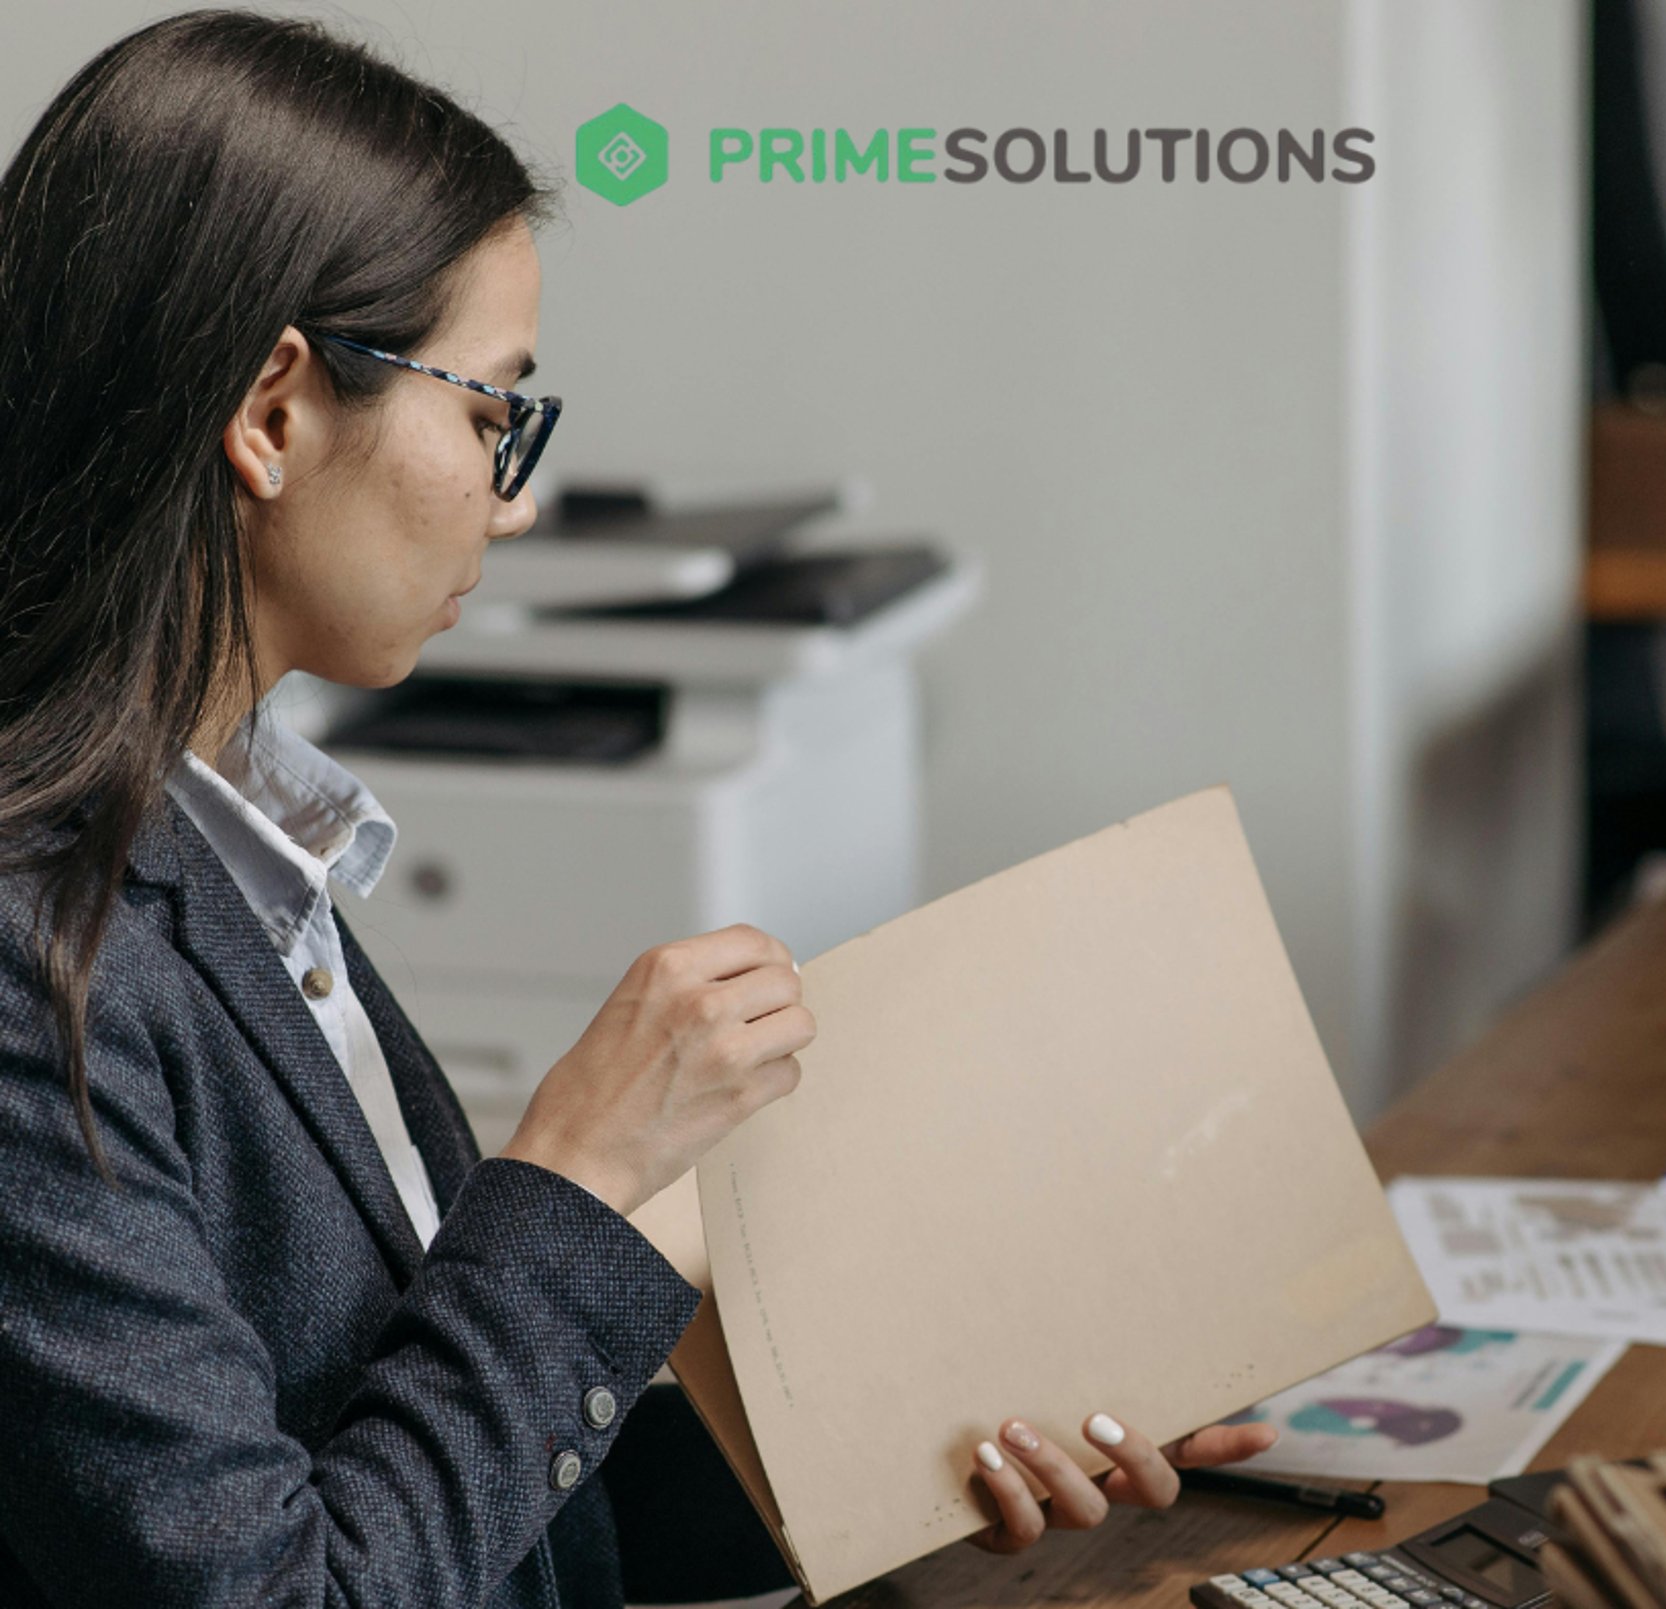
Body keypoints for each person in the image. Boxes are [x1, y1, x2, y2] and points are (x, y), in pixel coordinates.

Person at [0, 10, 1279, 1606]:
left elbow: (417, 1482)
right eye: (490, 415)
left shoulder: (230, 848)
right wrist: (576, 1175)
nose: (513, 498)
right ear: (272, 413)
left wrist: (926, 1445)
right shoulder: (36, 952)